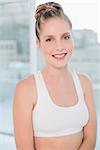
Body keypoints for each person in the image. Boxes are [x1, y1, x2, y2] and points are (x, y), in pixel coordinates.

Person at [13, 2, 97, 150]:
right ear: (38, 43)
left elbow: (90, 139)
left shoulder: (84, 83)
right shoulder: (25, 89)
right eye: (49, 39)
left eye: (65, 37)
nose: (60, 46)